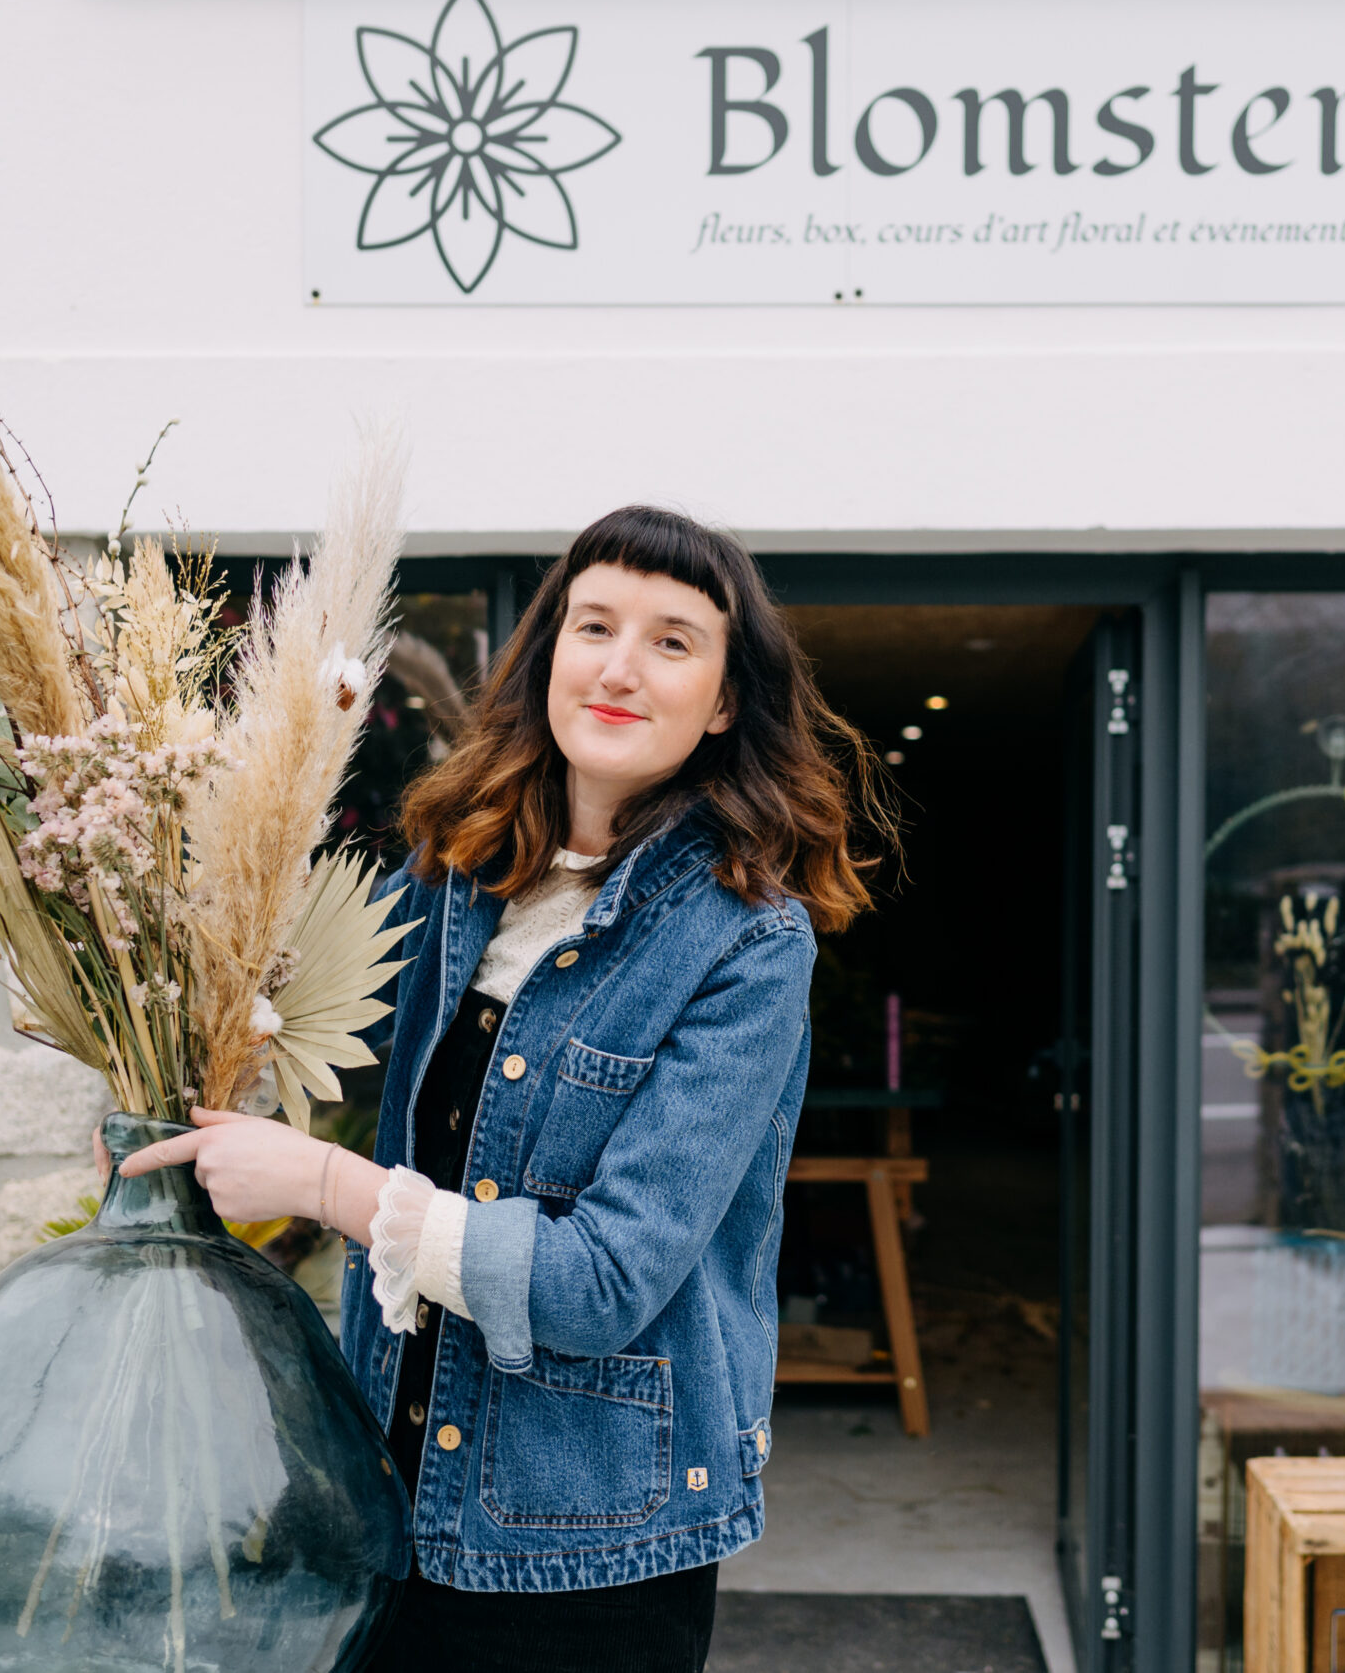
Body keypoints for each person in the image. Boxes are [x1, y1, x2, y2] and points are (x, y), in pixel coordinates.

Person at [120, 506, 894, 1672]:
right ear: (550, 655)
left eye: (673, 640)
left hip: (584, 1551)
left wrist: (327, 1183)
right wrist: (168, 1117)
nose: (620, 665)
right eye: (595, 624)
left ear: (726, 699)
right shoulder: (459, 875)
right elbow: (309, 1051)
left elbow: (605, 1280)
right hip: (393, 1492)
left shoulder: (748, 942)